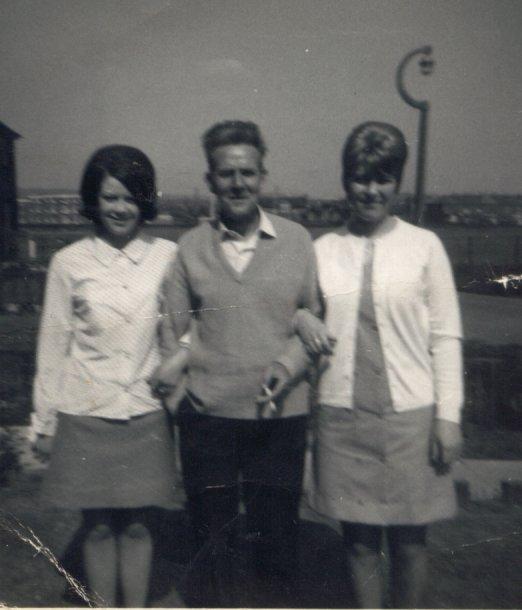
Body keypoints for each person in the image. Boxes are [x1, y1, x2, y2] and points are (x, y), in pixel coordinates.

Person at [295, 122, 464, 608]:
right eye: (360, 178)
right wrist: (302, 316)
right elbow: (298, 310)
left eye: (382, 178)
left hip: (411, 418)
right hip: (342, 418)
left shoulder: (425, 247)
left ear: (397, 183)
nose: (371, 190)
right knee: (359, 544)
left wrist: (448, 419)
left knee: (411, 544)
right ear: (346, 182)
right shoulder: (322, 250)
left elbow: (445, 337)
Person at [152, 120, 320, 606]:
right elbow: (173, 331)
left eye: (248, 172)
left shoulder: (297, 241)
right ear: (210, 180)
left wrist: (287, 364)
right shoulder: (189, 249)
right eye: (226, 174)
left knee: (276, 546)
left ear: (263, 176)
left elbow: (313, 317)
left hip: (280, 418)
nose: (238, 183)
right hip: (209, 422)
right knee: (212, 546)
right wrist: (185, 397)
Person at [31, 145, 181, 607]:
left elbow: (193, 326)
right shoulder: (69, 262)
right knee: (96, 527)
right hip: (85, 413)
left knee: (139, 526)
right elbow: (53, 346)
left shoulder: (170, 257)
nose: (119, 208)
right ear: (93, 201)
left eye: (130, 199)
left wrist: (179, 361)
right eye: (109, 197)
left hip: (145, 413)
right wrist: (44, 421)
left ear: (145, 203)